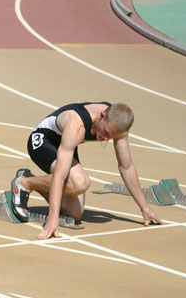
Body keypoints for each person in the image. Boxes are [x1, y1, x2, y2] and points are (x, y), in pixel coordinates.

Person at [10, 102, 162, 240]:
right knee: (80, 183)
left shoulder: (118, 124)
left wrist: (145, 208)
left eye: (111, 137)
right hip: (43, 142)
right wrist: (53, 218)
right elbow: (60, 174)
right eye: (106, 132)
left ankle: (30, 178)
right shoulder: (77, 124)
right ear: (102, 116)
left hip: (67, 145)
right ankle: (24, 183)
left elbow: (126, 167)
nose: (106, 139)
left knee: (74, 213)